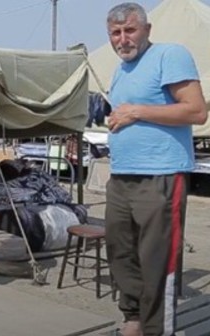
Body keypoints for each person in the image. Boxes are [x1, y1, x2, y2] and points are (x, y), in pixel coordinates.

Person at [103, 3, 207, 336]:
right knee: (121, 254)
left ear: (147, 30)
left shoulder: (169, 55)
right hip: (121, 176)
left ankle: (157, 330)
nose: (123, 39)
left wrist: (136, 112)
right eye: (116, 33)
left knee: (157, 262)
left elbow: (196, 111)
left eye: (130, 30)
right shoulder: (120, 70)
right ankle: (133, 320)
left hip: (160, 175)